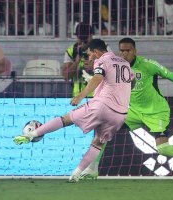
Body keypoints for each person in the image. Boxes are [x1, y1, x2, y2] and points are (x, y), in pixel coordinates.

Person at [79, 37, 173, 179]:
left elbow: (171, 76)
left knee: (163, 149)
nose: (125, 54)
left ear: (135, 51)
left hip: (155, 111)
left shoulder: (148, 65)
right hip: (132, 111)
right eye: (122, 51)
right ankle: (92, 168)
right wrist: (94, 81)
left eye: (128, 50)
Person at [13, 39, 132, 183]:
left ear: (96, 52)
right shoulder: (124, 63)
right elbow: (133, 81)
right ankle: (76, 173)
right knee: (98, 143)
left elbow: (98, 78)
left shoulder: (101, 60)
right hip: (120, 114)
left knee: (66, 119)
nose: (89, 58)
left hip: (102, 105)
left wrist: (81, 95)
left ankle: (31, 135)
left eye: (89, 54)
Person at [62, 22, 94, 97]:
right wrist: (77, 62)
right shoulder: (71, 51)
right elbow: (66, 76)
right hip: (79, 97)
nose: (83, 42)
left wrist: (95, 66)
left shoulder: (103, 48)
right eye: (81, 39)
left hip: (100, 97)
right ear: (77, 37)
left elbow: (113, 72)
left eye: (85, 39)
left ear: (91, 36)